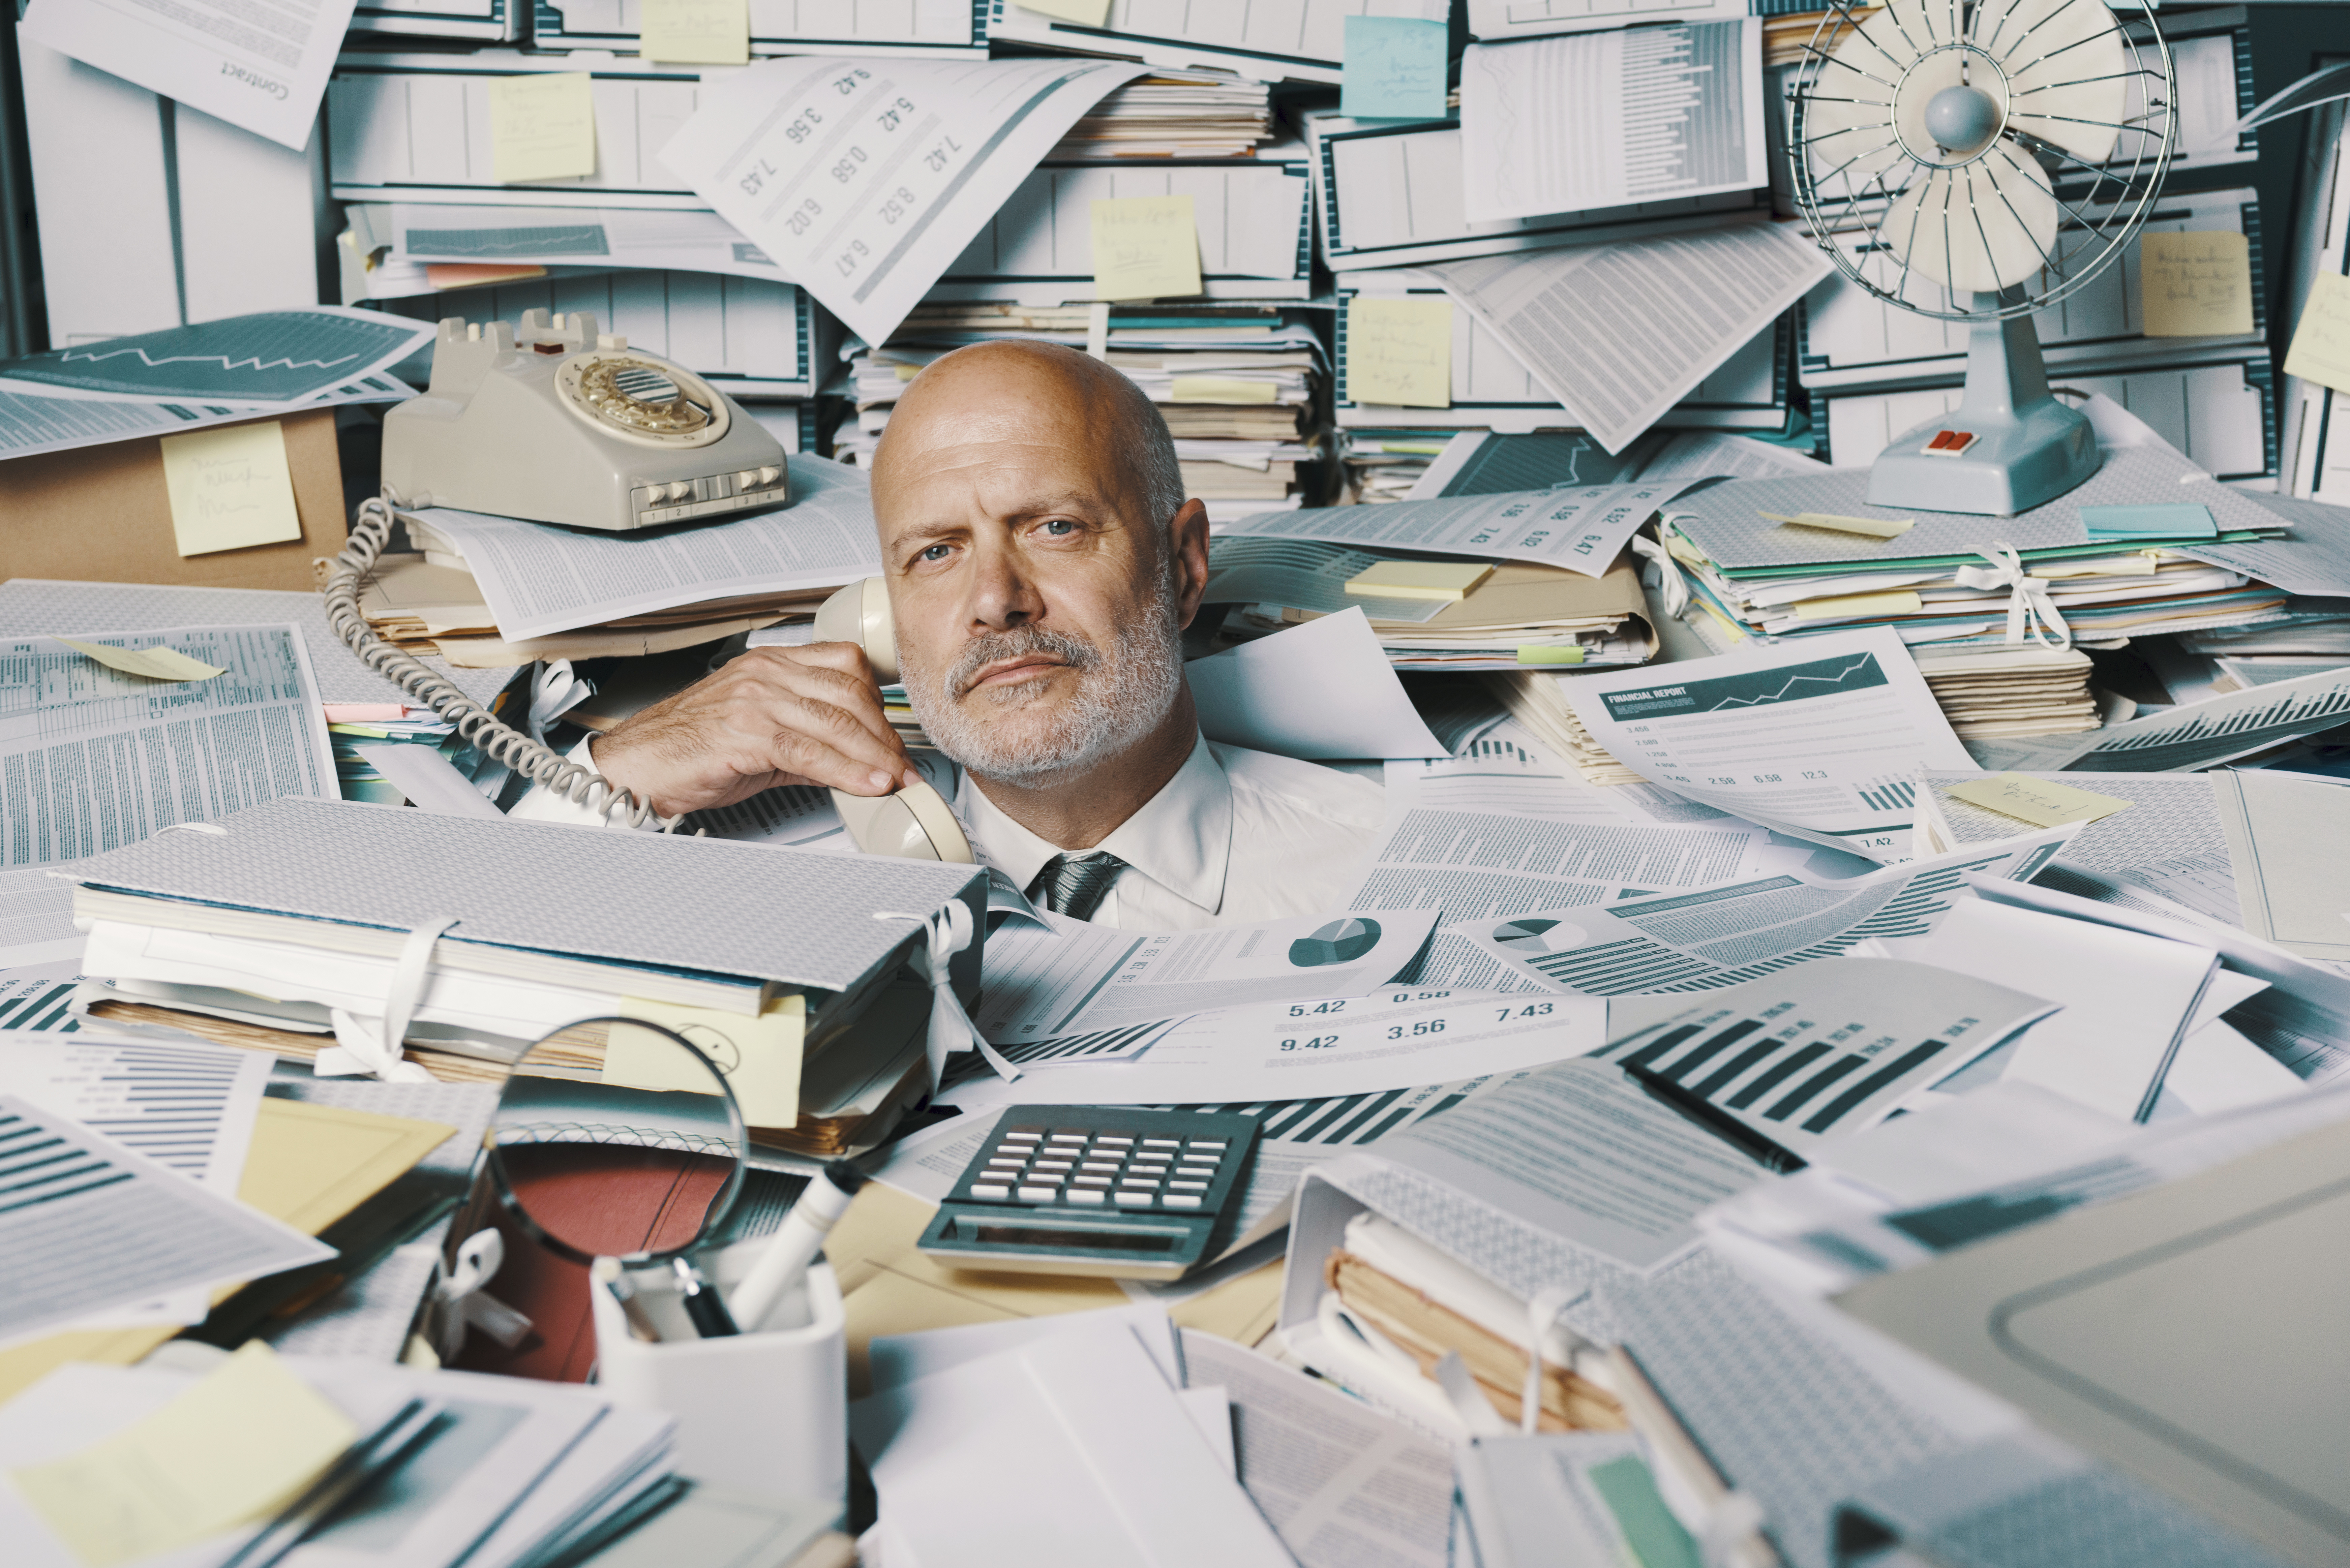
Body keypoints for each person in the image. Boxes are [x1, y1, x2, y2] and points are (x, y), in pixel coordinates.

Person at [512, 340, 1383, 928]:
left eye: (1053, 529)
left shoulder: (1387, 871)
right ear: (883, 617)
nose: (996, 602)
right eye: (936, 553)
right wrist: (609, 777)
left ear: (1183, 566)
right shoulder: (743, 864)